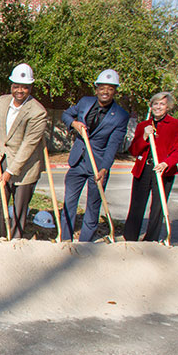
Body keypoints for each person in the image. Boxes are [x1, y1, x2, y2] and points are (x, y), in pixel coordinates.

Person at [60, 68, 130, 242]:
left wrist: (104, 168)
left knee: (93, 206)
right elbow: (66, 114)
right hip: (78, 161)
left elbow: (113, 144)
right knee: (69, 202)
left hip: (98, 165)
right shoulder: (85, 102)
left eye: (110, 88)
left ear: (115, 91)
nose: (105, 91)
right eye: (102, 87)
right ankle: (65, 240)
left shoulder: (120, 115)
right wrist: (74, 124)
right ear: (96, 89)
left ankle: (85, 244)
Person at [0, 63, 49, 238]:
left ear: (30, 87)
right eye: (16, 86)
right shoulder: (2, 101)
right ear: (11, 85)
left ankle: (15, 241)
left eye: (25, 87)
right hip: (2, 159)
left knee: (20, 207)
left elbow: (29, 145)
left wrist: (10, 171)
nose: (19, 90)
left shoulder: (38, 112)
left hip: (25, 165)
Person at [124, 91, 178, 242]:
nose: (158, 107)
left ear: (168, 107)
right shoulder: (143, 126)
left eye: (162, 104)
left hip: (163, 170)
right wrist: (144, 136)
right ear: (151, 106)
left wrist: (167, 163)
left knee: (157, 208)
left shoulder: (176, 125)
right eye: (155, 104)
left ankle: (150, 240)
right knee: (136, 205)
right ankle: (130, 238)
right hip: (143, 169)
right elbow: (133, 150)